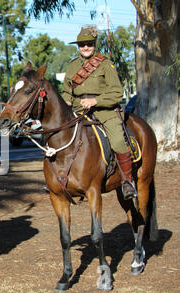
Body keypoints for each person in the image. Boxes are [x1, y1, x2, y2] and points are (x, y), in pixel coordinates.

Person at [61, 25, 137, 200]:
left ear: (94, 44)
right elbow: (67, 91)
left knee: (118, 140)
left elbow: (117, 92)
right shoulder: (72, 66)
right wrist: (66, 101)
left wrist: (95, 101)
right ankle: (64, 179)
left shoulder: (105, 64)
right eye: (82, 45)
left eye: (88, 44)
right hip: (79, 110)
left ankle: (127, 181)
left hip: (104, 110)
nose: (85, 48)